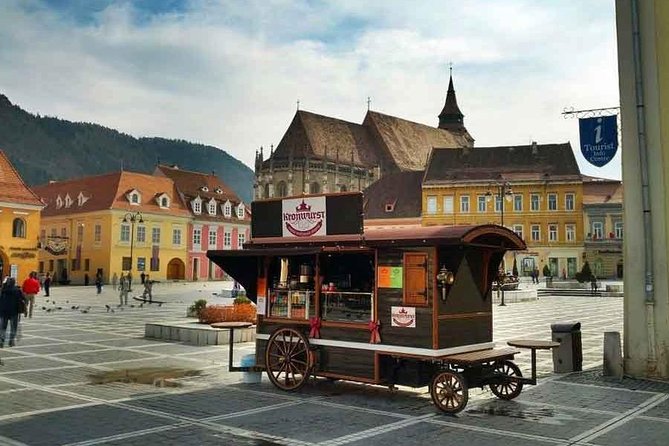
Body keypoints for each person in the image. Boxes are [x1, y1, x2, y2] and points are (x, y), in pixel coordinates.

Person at [0, 278, 24, 348]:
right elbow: (23, 298)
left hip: (3, 311)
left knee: (2, 328)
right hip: (14, 311)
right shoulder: (17, 290)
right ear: (14, 283)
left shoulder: (3, 290)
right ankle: (11, 342)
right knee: (13, 327)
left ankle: (1, 342)